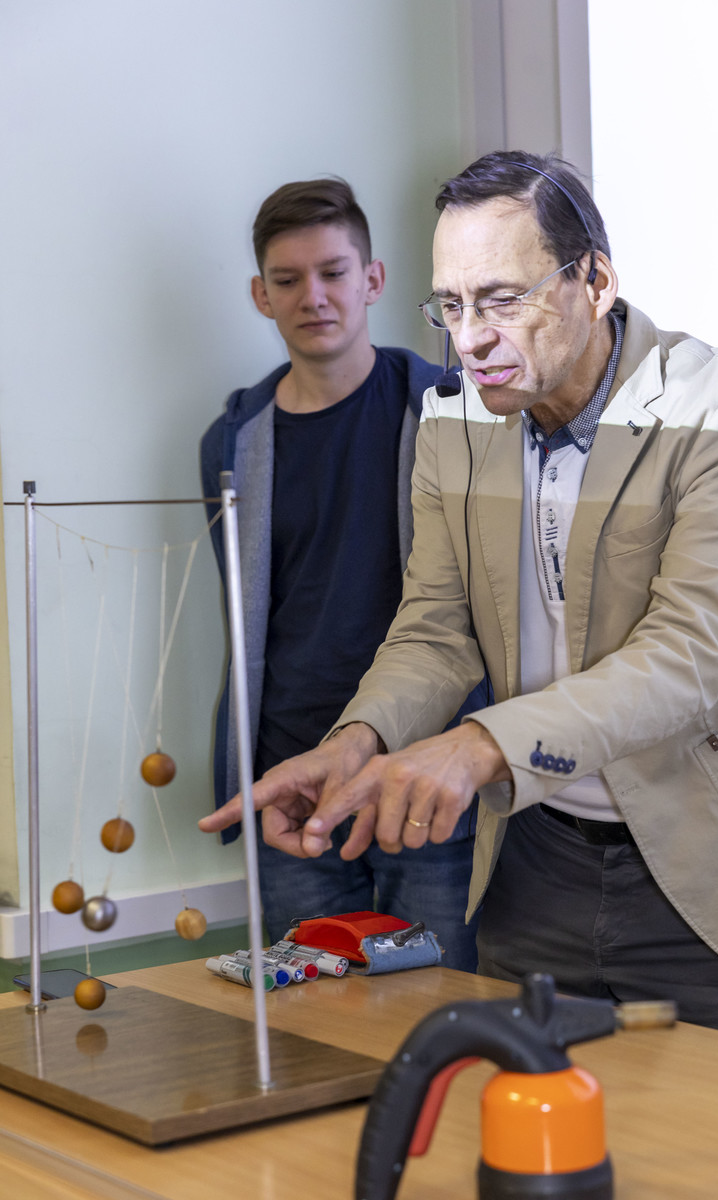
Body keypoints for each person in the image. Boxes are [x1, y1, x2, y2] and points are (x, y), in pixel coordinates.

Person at [200, 152, 718, 1042]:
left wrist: (478, 745)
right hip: (534, 862)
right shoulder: (454, 419)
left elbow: (690, 654)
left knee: (710, 1132)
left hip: (706, 866)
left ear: (594, 281)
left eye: (501, 299)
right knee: (524, 1122)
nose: (470, 339)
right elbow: (435, 632)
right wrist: (356, 744)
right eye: (450, 306)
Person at [200, 176, 481, 968]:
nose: (313, 296)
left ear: (373, 279)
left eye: (332, 272)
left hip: (422, 767)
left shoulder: (451, 410)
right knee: (315, 1015)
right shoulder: (232, 442)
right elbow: (247, 611)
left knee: (439, 1001)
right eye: (288, 280)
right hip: (294, 776)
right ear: (261, 295)